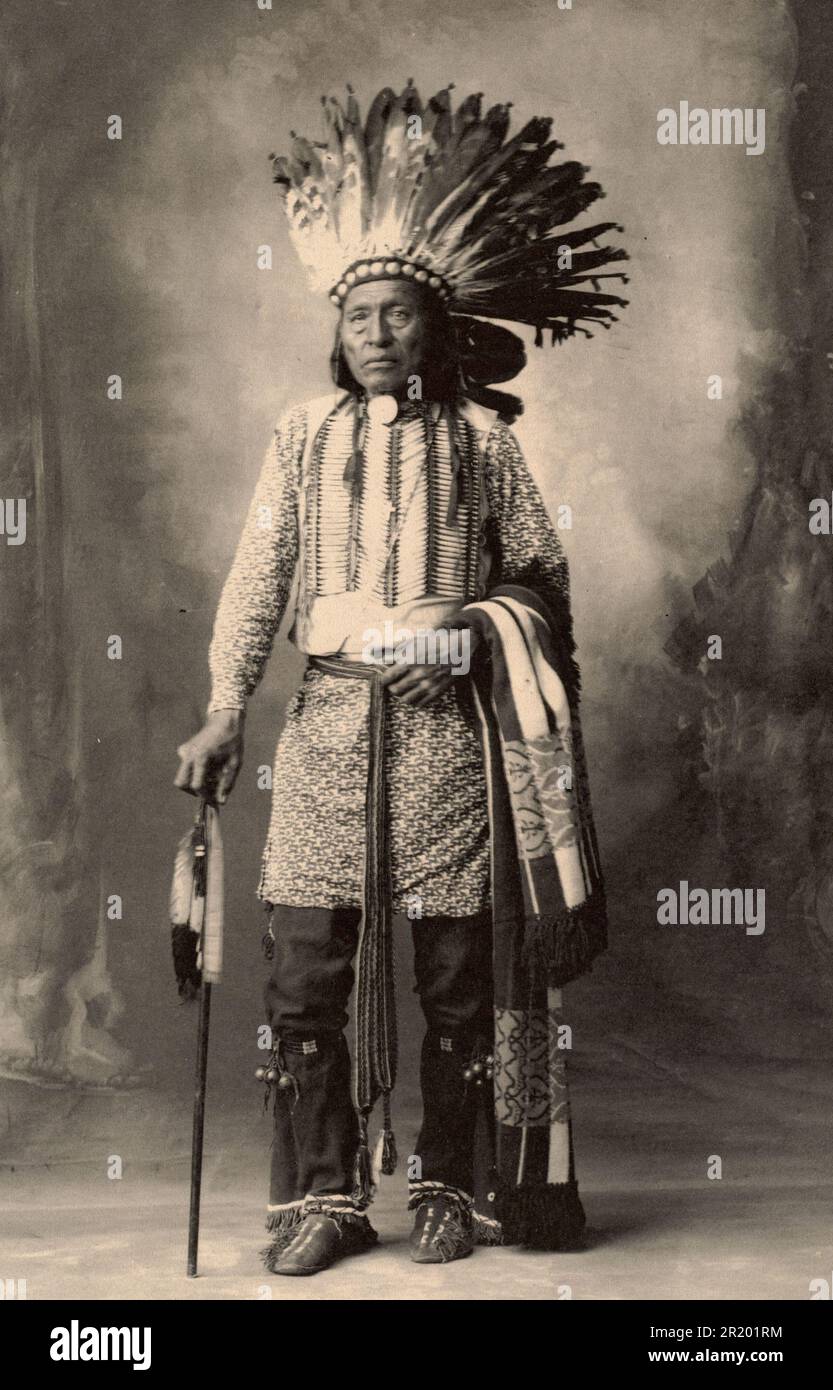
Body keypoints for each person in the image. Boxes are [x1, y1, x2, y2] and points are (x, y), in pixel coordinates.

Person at [174, 82, 625, 1276]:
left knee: (455, 982)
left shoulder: (484, 443)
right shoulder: (299, 437)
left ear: (435, 322)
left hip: (448, 744)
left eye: (397, 311)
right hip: (327, 730)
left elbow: (540, 582)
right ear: (339, 326)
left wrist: (474, 631)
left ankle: (451, 1190)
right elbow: (256, 578)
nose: (377, 330)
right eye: (359, 313)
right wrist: (225, 706)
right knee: (304, 969)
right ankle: (320, 1197)